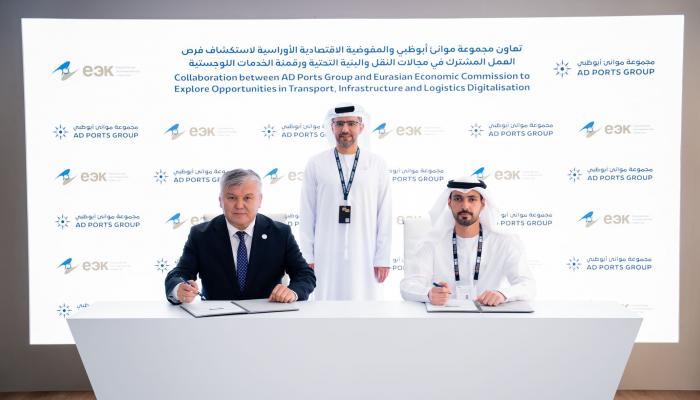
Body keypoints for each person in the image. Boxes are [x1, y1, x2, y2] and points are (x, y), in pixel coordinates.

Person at [165, 169, 315, 304]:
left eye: (247, 198)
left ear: (259, 200)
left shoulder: (280, 233)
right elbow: (179, 274)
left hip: (267, 316)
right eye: (231, 198)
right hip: (217, 318)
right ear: (220, 201)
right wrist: (179, 289)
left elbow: (305, 275)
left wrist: (292, 292)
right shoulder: (201, 235)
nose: (239, 205)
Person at [299, 103, 392, 300]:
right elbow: (307, 212)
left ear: (361, 127)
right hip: (326, 252)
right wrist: (307, 256)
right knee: (326, 304)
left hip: (365, 252)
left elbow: (385, 213)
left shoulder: (377, 164)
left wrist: (382, 257)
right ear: (331, 127)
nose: (345, 129)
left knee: (365, 303)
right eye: (339, 124)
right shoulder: (316, 163)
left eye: (351, 123)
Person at [400, 176, 535, 306]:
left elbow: (528, 286)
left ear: (483, 204)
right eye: (458, 199)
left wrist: (503, 294)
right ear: (449, 203)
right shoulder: (431, 243)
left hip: (490, 316)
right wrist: (429, 293)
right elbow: (408, 286)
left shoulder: (504, 242)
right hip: (444, 317)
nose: (465, 206)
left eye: (472, 199)